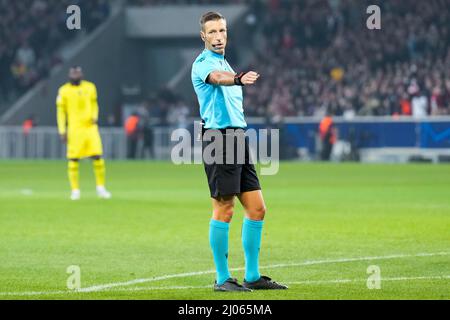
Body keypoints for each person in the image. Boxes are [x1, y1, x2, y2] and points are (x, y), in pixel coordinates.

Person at [191, 11, 287, 292]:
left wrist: (235, 76)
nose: (219, 37)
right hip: (218, 139)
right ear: (203, 37)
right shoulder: (203, 64)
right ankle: (222, 279)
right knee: (224, 209)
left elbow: (225, 74)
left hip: (237, 138)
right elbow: (218, 78)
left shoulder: (224, 61)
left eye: (222, 31)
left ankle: (253, 276)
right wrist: (237, 78)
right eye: (212, 32)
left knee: (257, 209)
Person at [56, 66, 112, 200]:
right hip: (74, 129)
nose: (76, 75)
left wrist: (95, 116)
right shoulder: (63, 90)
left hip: (90, 127)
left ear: (82, 74)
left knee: (97, 157)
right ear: (69, 75)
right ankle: (75, 190)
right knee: (73, 159)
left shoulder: (90, 87)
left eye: (78, 72)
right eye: (73, 73)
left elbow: (94, 104)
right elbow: (61, 112)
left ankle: (101, 188)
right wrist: (62, 130)